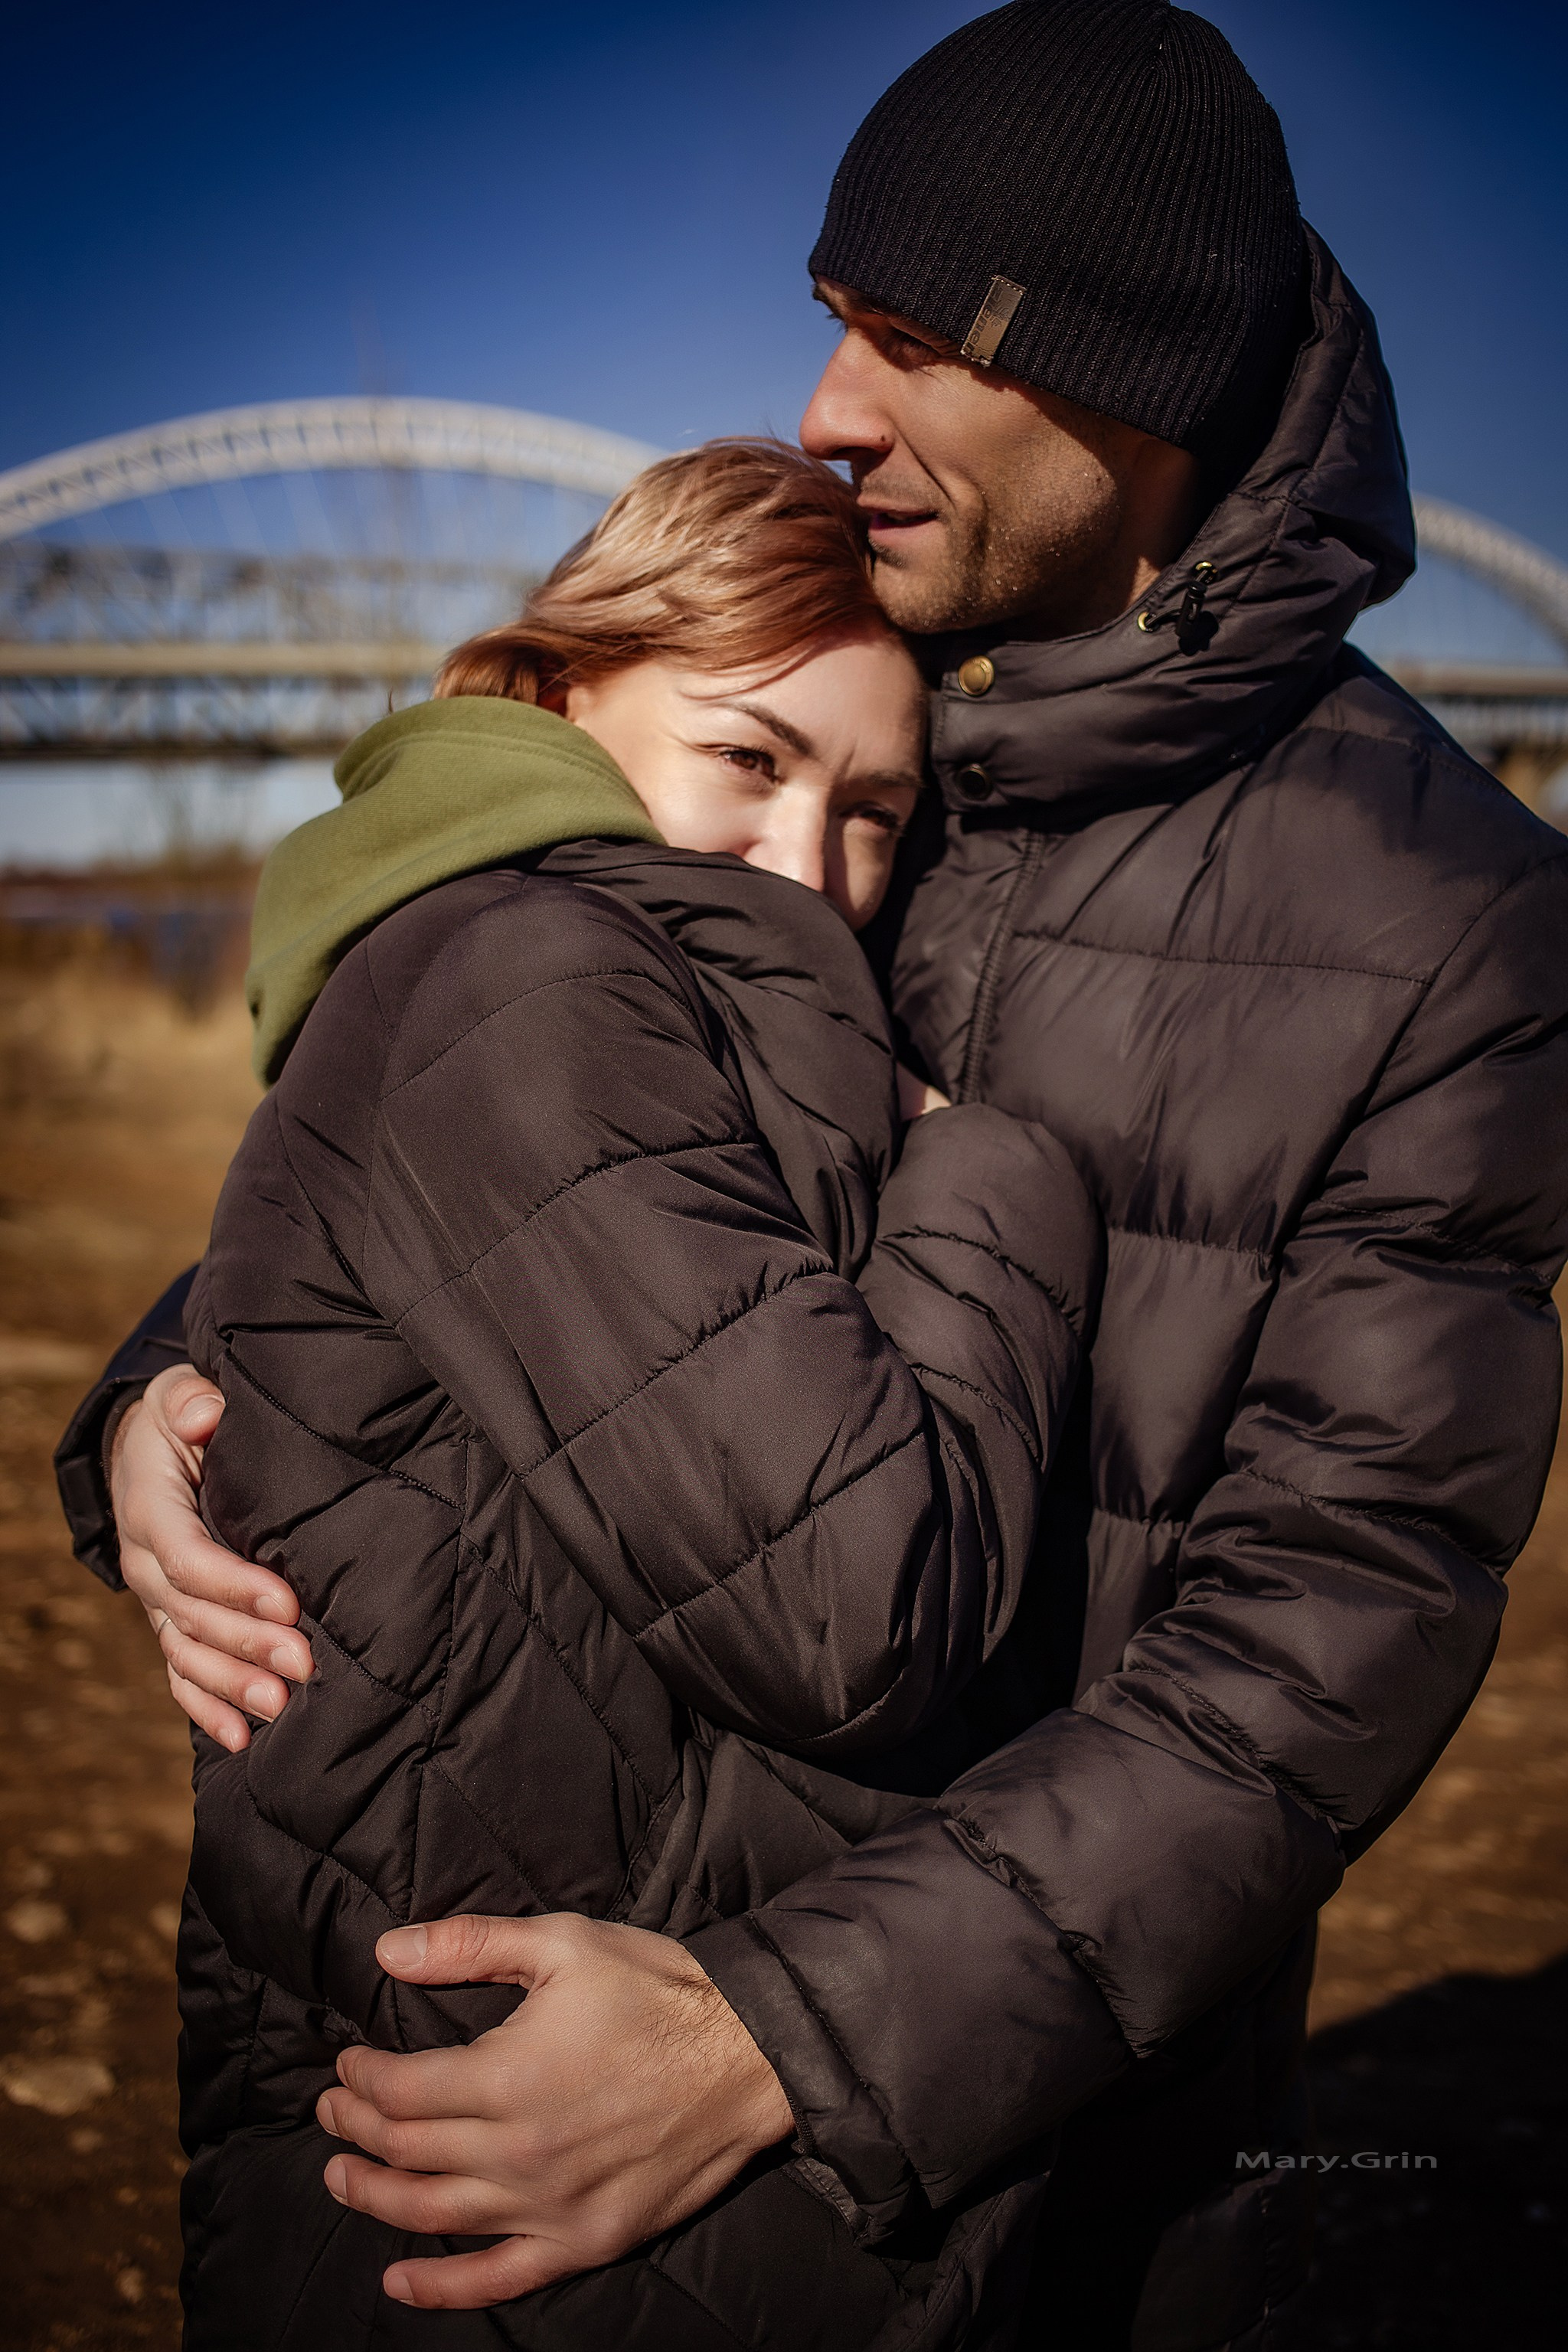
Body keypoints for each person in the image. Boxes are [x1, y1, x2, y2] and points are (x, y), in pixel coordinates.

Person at [57, 5, 1568, 2346]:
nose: (830, 409)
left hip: (999, 2167)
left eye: (914, 345)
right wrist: (171, 1405)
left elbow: (1329, 1632)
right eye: (833, 322)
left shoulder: (1450, 923)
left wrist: (802, 2036)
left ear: (1134, 384)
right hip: (459, 2064)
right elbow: (531, 1165)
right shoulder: (848, 706)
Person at [64, 436, 1102, 2349]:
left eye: (874, 813)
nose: (812, 869)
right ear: (561, 694)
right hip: (487, 2144)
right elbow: (853, 1609)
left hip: (524, 2085)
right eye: (750, 758)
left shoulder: (533, 958)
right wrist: (996, 1176)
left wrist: (146, 1391)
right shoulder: (543, 970)